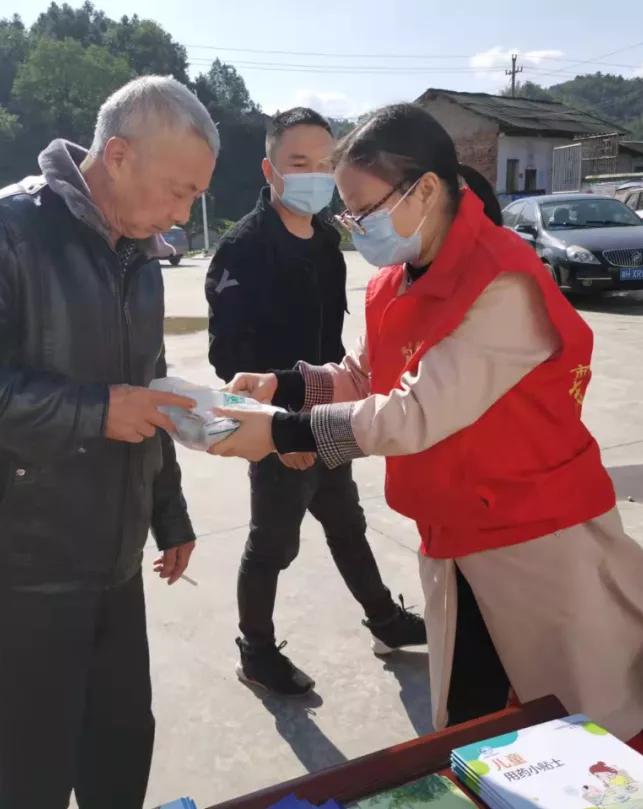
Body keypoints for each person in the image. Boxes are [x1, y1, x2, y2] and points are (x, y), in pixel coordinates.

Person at [208, 104, 643, 787]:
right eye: (348, 213)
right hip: (457, 534)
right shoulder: (397, 279)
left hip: (539, 534)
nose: (354, 225)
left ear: (424, 189)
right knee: (477, 711)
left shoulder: (501, 280)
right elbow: (366, 374)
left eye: (364, 209)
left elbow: (413, 414)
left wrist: (281, 431)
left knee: (618, 689)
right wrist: (287, 384)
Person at [0, 76, 216, 809]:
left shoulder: (138, 252)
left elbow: (146, 386)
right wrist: (91, 411)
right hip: (24, 557)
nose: (180, 214)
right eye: (178, 191)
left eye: (194, 197)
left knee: (122, 740)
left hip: (114, 549)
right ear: (119, 156)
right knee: (37, 762)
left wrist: (169, 510)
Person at [205, 107, 425, 697]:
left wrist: (324, 417)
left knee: (347, 522)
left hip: (330, 410)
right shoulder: (244, 249)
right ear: (270, 170)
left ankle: (385, 620)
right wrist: (282, 432)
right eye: (298, 163)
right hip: (278, 427)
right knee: (272, 544)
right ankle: (255, 651)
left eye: (325, 165)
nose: (314, 176)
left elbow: (334, 345)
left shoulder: (328, 240)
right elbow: (230, 362)